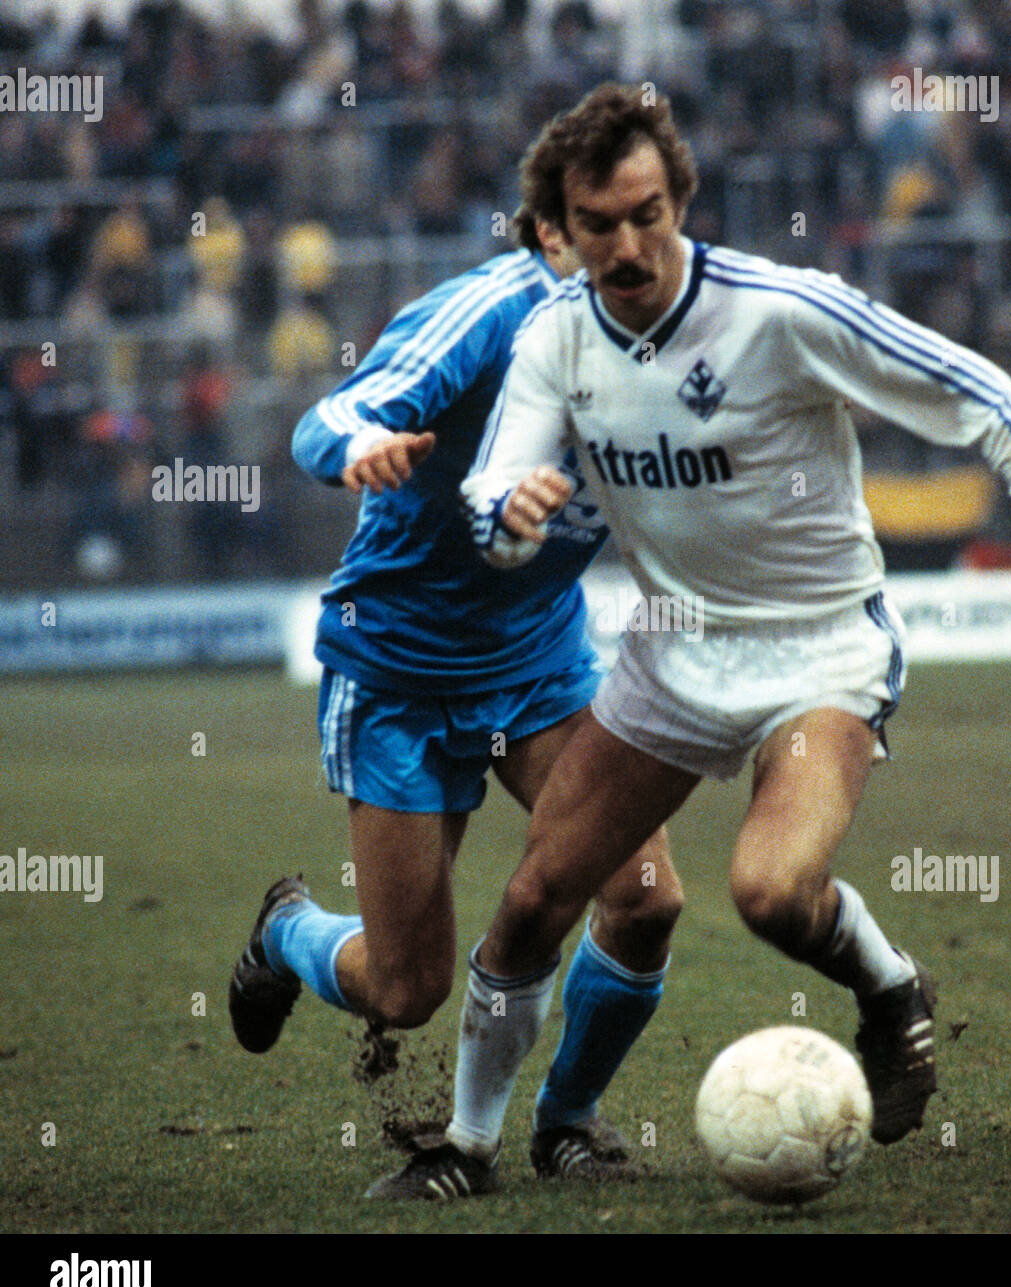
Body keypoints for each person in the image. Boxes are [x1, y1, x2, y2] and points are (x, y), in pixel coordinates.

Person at [438, 82, 1011, 1195]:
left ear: (680, 200)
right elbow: (493, 497)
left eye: (648, 212)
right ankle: (467, 1150)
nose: (627, 243)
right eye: (599, 224)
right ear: (558, 235)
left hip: (818, 653)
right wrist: (507, 516)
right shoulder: (552, 342)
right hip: (671, 661)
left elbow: (972, 388)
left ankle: (887, 988)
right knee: (534, 897)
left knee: (767, 892)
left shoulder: (778, 309)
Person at [227, 207, 685, 1200]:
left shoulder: (680, 338)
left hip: (539, 664)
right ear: (551, 233)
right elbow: (331, 417)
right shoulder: (483, 311)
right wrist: (356, 448)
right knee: (406, 988)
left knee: (644, 900)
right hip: (398, 670)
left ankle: (565, 1121)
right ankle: (287, 931)